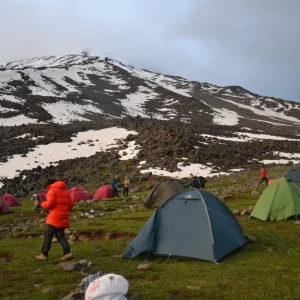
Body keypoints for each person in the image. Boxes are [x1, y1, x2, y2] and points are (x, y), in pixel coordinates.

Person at [35, 179, 74, 261]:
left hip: (54, 217)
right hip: (63, 216)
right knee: (60, 235)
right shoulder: (66, 192)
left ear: (49, 185)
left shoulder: (52, 191)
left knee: (48, 235)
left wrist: (39, 204)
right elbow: (71, 204)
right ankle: (67, 253)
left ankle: (43, 254)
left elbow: (50, 204)